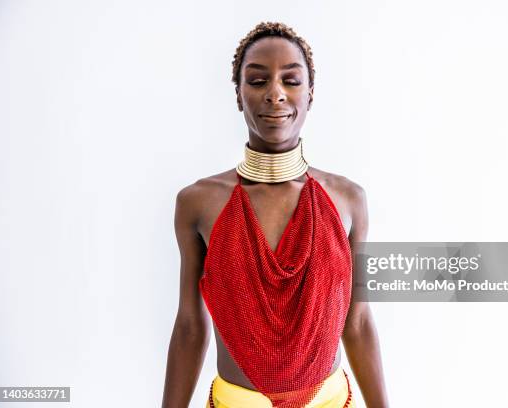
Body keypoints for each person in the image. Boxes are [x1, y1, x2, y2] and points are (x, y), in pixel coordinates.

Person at [161, 22, 389, 408]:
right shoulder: (198, 203)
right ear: (238, 95)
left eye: (291, 80)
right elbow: (189, 325)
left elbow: (359, 321)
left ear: (311, 94)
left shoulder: (349, 200)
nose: (275, 94)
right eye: (257, 81)